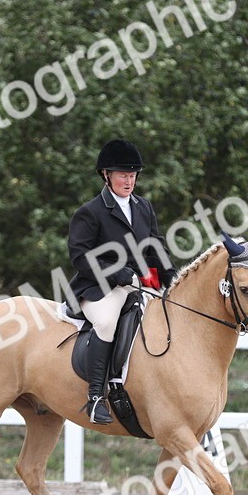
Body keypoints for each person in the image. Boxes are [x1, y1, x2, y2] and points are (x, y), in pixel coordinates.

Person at [67, 139, 177, 424]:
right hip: (100, 287)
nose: (129, 181)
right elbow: (80, 256)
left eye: (132, 175)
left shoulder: (143, 207)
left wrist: (171, 277)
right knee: (106, 322)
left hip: (139, 282)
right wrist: (117, 274)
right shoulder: (91, 211)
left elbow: (156, 245)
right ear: (106, 175)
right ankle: (95, 397)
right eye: (122, 175)